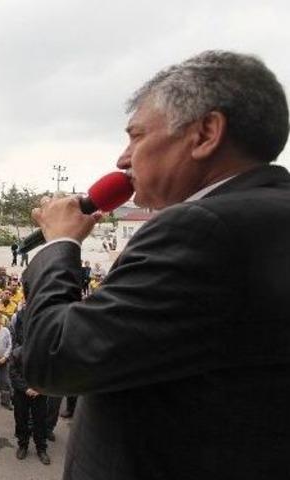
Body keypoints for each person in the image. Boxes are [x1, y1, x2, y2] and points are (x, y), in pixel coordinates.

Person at [21, 51, 290, 479]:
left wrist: (59, 245)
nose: (123, 159)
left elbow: (54, 357)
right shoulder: (270, 217)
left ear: (205, 133)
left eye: (136, 136)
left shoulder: (200, 228)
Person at [8, 347, 49, 465]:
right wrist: (26, 388)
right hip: (21, 393)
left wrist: (39, 389)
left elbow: (49, 373)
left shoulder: (45, 352)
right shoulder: (17, 352)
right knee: (21, 419)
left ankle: (41, 449)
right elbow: (13, 373)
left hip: (40, 393)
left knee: (40, 421)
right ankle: (23, 446)